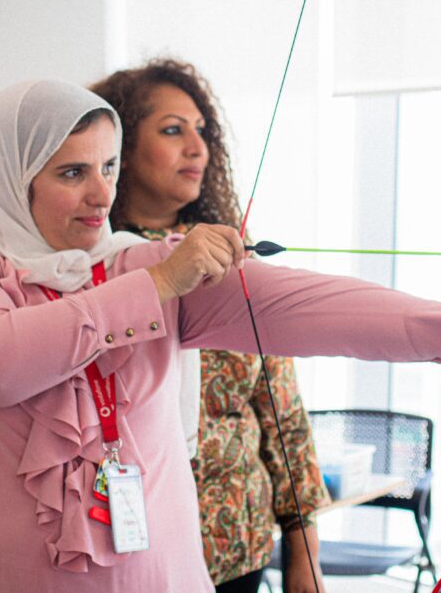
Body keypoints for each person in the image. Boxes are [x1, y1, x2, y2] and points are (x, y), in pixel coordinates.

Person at [0, 78, 441, 592]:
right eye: (72, 172)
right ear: (9, 176)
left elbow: (318, 308)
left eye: (107, 167)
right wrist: (161, 282)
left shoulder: (135, 263)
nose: (100, 194)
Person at [90, 59, 329, 593]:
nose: (197, 148)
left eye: (203, 131)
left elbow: (281, 410)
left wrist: (304, 551)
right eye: (173, 130)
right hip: (126, 549)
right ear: (118, 149)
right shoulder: (85, 264)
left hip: (235, 544)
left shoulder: (228, 255)